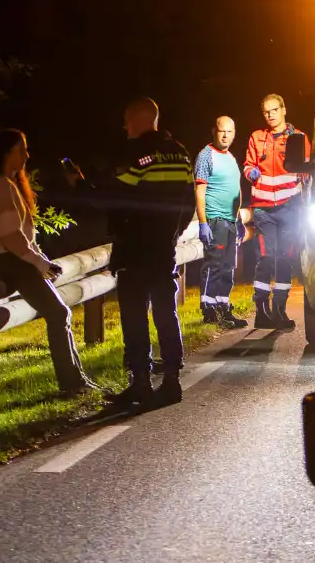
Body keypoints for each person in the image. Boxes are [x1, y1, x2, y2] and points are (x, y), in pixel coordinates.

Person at [0, 128, 95, 395]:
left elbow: (22, 235)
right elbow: (12, 236)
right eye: (21, 149)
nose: (27, 155)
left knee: (59, 313)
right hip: (11, 261)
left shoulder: (5, 183)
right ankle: (71, 383)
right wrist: (39, 264)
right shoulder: (2, 185)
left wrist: (43, 260)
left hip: (11, 260)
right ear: (7, 154)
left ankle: (76, 380)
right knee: (59, 313)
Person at [106, 97, 195, 407]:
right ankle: (172, 379)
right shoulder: (181, 153)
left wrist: (119, 232)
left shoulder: (135, 153)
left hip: (135, 248)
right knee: (165, 312)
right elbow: (188, 202)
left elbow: (119, 201)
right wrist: (173, 234)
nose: (124, 128)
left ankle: (140, 381)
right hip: (164, 247)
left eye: (127, 122)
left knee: (134, 314)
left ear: (137, 121)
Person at [243, 94, 311, 329]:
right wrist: (250, 172)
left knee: (284, 258)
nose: (270, 114)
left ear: (284, 110)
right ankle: (261, 310)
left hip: (290, 208)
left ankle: (279, 310)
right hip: (263, 210)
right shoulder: (256, 137)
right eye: (266, 111)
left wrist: (306, 177)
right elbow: (249, 164)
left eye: (274, 110)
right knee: (265, 257)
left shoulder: (298, 138)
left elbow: (308, 169)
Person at [195, 116, 247, 329]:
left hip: (231, 220)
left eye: (229, 132)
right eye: (221, 131)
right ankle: (208, 309)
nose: (225, 136)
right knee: (214, 265)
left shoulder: (231, 157)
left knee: (228, 267)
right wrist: (202, 222)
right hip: (215, 220)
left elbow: (236, 187)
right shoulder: (206, 156)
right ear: (213, 132)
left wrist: (239, 220)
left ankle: (223, 307)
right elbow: (199, 191)